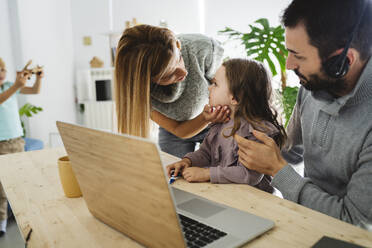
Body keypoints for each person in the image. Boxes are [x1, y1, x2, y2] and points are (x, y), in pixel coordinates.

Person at [234, 0, 372, 228]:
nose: (288, 65)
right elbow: (291, 151)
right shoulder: (313, 87)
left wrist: (278, 170)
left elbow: (355, 223)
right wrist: (247, 133)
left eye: (298, 56)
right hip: (303, 220)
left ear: (342, 62)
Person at [166, 59, 286, 193]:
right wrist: (188, 161)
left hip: (253, 203)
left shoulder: (257, 132)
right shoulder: (221, 122)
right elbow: (206, 153)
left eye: (215, 84)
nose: (209, 87)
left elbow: (248, 175)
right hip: (227, 195)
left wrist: (207, 174)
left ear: (236, 98)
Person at [114, 25, 229, 158]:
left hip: (215, 123)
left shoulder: (201, 48)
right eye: (168, 75)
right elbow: (177, 130)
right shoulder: (140, 92)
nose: (183, 72)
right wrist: (204, 118)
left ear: (178, 46)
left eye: (179, 58)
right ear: (147, 82)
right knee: (172, 171)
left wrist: (213, 118)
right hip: (176, 130)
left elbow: (226, 88)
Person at [0, 57, 44, 235]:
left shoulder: (10, 85)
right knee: (2, 187)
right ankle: (2, 222)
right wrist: (16, 86)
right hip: (1, 145)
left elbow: (34, 91)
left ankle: (25, 217)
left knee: (20, 180)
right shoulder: (11, 88)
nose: (0, 74)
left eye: (2, 70)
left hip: (17, 141)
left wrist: (39, 78)